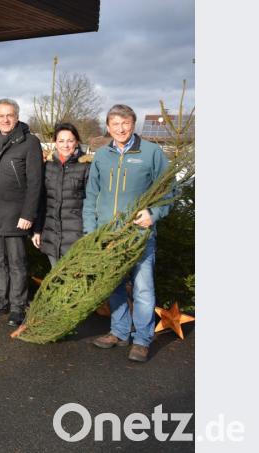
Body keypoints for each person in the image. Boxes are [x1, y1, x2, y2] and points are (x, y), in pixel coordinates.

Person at [83, 104, 170, 363]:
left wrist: (153, 214)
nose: (120, 128)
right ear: (108, 127)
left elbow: (169, 191)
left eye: (125, 123)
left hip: (140, 235)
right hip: (109, 236)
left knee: (143, 288)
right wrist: (92, 231)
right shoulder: (101, 155)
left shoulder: (151, 153)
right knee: (115, 285)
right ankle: (119, 331)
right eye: (115, 124)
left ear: (133, 124)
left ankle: (142, 339)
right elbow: (92, 195)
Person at [0, 99, 43, 327]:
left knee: (17, 263)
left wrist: (28, 214)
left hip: (16, 215)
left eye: (9, 115)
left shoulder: (30, 142)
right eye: (1, 115)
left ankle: (17, 307)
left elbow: (35, 183)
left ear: (17, 116)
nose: (5, 119)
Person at [32, 123, 91, 267]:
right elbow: (42, 202)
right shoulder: (47, 166)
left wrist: (89, 233)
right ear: (55, 143)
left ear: (76, 142)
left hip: (76, 236)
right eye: (61, 141)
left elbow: (92, 202)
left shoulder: (86, 166)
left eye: (70, 141)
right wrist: (37, 230)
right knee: (56, 278)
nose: (66, 145)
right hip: (51, 235)